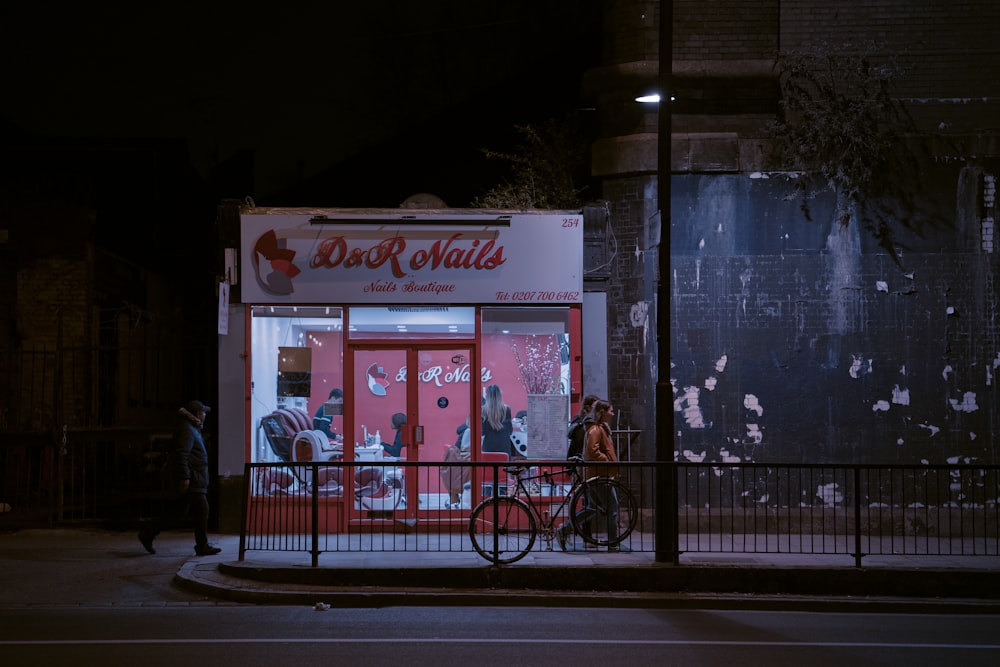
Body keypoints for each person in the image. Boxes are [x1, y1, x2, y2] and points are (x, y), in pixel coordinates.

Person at [138, 400, 221, 556]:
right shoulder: (188, 430)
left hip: (194, 477)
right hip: (193, 478)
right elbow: (182, 455)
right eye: (203, 412)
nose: (204, 415)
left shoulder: (191, 428)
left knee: (176, 512)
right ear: (197, 414)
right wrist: (185, 477)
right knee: (202, 510)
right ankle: (202, 546)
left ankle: (148, 533)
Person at [440, 417, 472, 508]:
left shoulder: (464, 430)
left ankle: (454, 498)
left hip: (456, 469)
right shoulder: (469, 432)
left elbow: (458, 448)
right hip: (464, 467)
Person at [481, 384, 515, 458]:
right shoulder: (507, 409)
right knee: (504, 468)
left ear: (487, 396)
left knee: (488, 468)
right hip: (504, 446)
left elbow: (482, 431)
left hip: (489, 446)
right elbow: (510, 430)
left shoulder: (483, 410)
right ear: (500, 395)